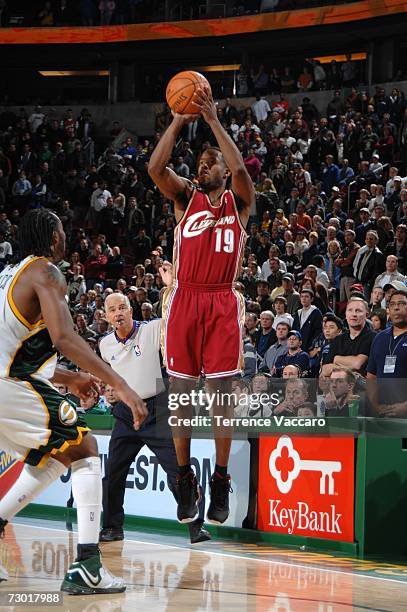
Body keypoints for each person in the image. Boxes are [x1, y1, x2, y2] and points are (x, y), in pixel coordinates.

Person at [0, 209, 147, 594]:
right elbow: (65, 338)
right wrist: (120, 384)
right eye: (63, 231)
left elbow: (17, 353)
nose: (67, 237)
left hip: (10, 383)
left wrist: (70, 377)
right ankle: (87, 565)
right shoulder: (46, 272)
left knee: (54, 457)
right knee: (85, 447)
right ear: (51, 238)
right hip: (8, 386)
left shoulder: (8, 278)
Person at [148, 85, 255, 524]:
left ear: (222, 173)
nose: (204, 167)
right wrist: (177, 118)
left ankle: (222, 479)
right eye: (200, 164)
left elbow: (241, 168)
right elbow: (155, 167)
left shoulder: (241, 201)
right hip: (186, 298)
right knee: (181, 395)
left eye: (210, 164)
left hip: (222, 299)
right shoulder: (183, 199)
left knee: (221, 394)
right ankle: (185, 477)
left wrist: (211, 119)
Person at [99, 292, 210, 544]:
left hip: (157, 410)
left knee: (178, 470)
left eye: (122, 308)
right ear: (106, 317)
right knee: (113, 474)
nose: (118, 313)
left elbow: (175, 315)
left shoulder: (151, 329)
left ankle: (195, 526)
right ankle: (112, 527)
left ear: (131, 310)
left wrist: (173, 287)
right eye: (112, 310)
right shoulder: (105, 346)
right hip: (126, 414)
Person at [367, 290, 407, 417]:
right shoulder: (379, 338)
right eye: (392, 304)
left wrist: (405, 407)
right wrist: (375, 406)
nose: (396, 307)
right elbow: (371, 377)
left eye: (401, 303)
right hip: (383, 413)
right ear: (388, 309)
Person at [321, 297, 376, 378]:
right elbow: (325, 370)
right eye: (350, 310)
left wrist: (336, 359)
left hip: (361, 388)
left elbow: (357, 364)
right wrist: (347, 367)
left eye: (358, 311)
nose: (353, 314)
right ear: (346, 315)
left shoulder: (373, 337)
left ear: (366, 315)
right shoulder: (338, 339)